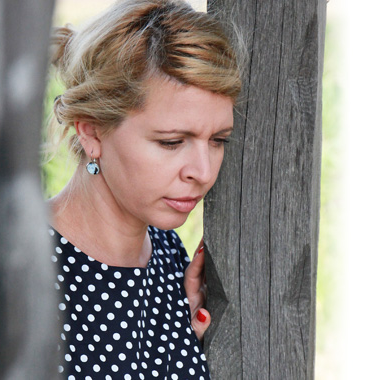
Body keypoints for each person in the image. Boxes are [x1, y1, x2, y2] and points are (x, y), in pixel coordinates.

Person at [47, 0, 242, 378]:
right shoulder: (15, 265)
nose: (202, 172)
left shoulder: (168, 254)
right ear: (91, 132)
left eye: (219, 140)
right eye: (172, 142)